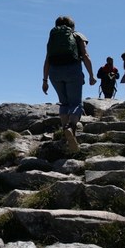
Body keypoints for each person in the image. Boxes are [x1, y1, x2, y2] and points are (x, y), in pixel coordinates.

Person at [42, 15, 97, 152]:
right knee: (75, 103)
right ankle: (70, 128)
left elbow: (47, 60)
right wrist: (91, 75)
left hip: (54, 72)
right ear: (72, 26)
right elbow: (85, 56)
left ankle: (65, 134)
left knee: (64, 102)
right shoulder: (77, 35)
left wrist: (45, 80)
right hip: (72, 69)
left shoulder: (53, 37)